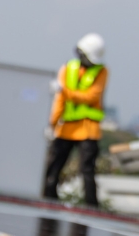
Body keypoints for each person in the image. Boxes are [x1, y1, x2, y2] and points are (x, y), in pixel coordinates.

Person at [42, 33, 106, 207]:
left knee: (87, 171)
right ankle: (48, 202)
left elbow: (91, 97)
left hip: (88, 129)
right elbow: (59, 102)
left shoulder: (101, 71)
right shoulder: (68, 69)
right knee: (53, 168)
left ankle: (92, 208)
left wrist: (64, 91)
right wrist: (52, 124)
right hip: (67, 128)